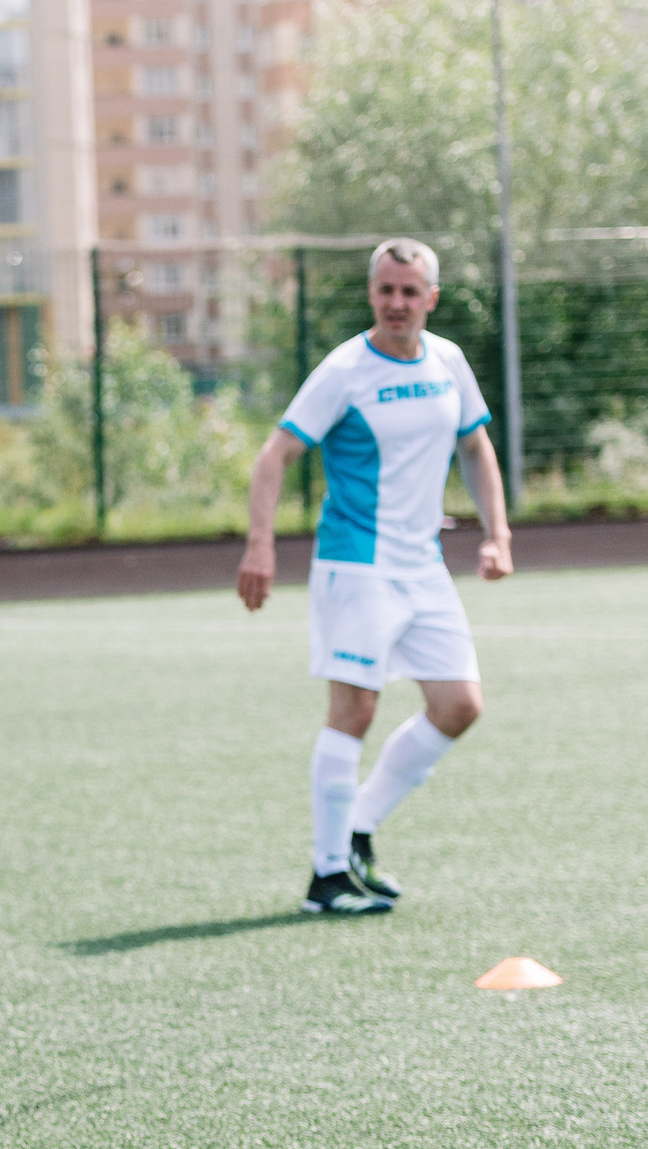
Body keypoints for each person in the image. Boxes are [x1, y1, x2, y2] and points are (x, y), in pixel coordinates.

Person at [238, 237, 513, 914]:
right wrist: (260, 546)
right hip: (356, 563)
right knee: (355, 710)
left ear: (431, 298)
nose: (396, 302)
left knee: (459, 705)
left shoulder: (448, 360)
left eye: (409, 291)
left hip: (424, 564)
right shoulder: (344, 370)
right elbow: (275, 455)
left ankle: (357, 826)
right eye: (385, 290)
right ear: (372, 294)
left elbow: (475, 445)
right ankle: (327, 876)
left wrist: (498, 534)